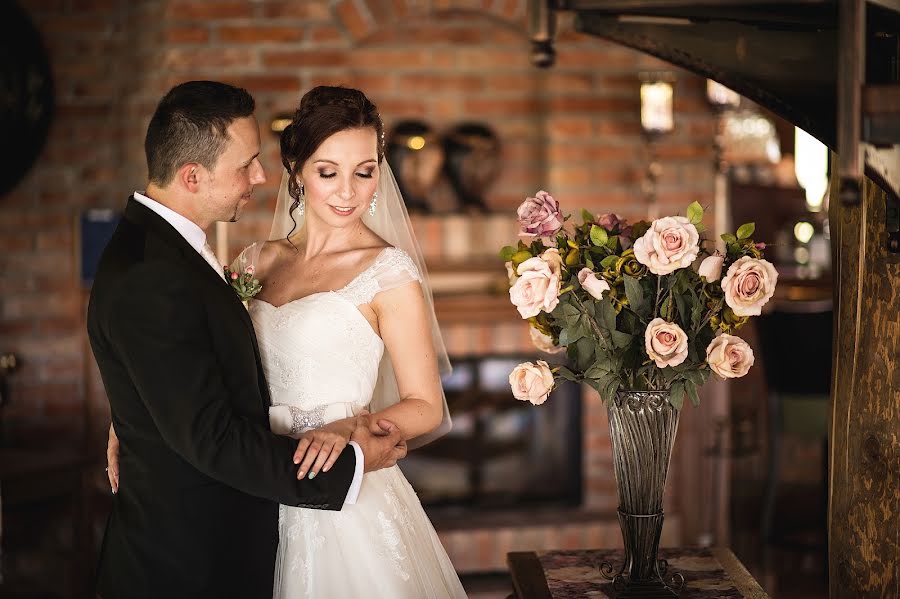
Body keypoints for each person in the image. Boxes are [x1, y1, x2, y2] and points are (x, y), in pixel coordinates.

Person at [108, 85, 467, 598]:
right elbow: (179, 351)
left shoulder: (390, 274)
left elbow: (426, 406)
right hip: (251, 486)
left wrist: (350, 427)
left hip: (341, 490)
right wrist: (131, 417)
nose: (348, 192)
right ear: (296, 170)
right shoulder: (256, 262)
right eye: (329, 172)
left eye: (364, 172)